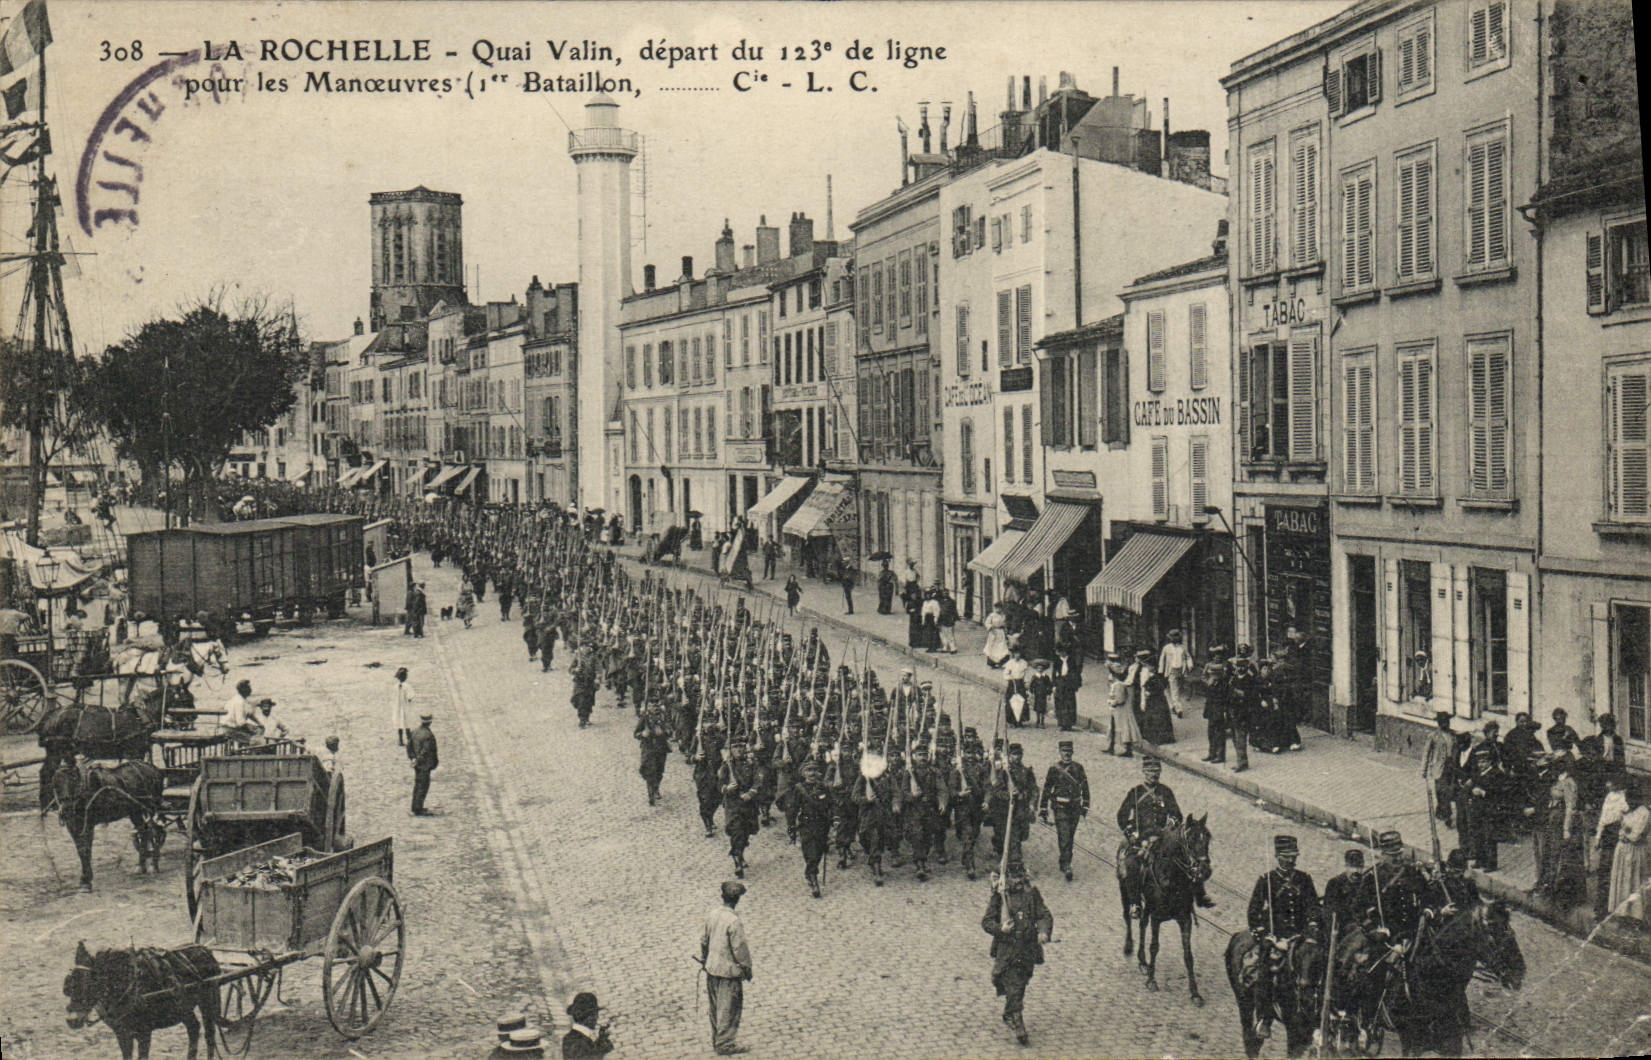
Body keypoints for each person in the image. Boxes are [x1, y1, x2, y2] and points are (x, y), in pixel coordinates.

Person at [1244, 834, 1321, 1042]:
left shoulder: (1304, 879)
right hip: (1276, 937)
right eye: (1287, 856)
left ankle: (1321, 1019)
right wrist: (1268, 938)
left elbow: (1313, 906)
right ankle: (1264, 1017)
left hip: (1301, 937)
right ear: (1278, 856)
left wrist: (1313, 926)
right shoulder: (1266, 881)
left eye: (1294, 856)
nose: (1291, 860)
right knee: (1266, 968)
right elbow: (1253, 912)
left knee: (1317, 967)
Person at [981, 858, 1053, 1047]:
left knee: (1022, 981)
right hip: (1008, 948)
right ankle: (1017, 1021)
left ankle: (1009, 1012)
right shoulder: (1000, 896)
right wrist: (1001, 929)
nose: (1017, 881)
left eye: (1019, 876)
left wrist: (1044, 931)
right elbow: (986, 922)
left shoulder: (1031, 893)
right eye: (1013, 877)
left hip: (1028, 947)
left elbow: (1044, 914)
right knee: (1014, 985)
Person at [699, 880, 753, 1056]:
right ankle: (726, 1044)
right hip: (728, 972)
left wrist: (705, 959)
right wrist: (746, 968)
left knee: (715, 1007)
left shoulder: (713, 914)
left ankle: (718, 1039)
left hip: (712, 968)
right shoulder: (734, 921)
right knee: (729, 1008)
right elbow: (740, 949)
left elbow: (704, 940)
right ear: (736, 900)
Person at [1533, 755, 1583, 906]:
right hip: (1553, 820)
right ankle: (1549, 888)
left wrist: (1566, 829)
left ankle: (1560, 893)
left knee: (1560, 856)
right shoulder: (1558, 780)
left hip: (1561, 821)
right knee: (1550, 854)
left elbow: (1570, 807)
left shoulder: (1569, 783)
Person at [1039, 740, 1090, 881]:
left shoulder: (1078, 768)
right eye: (1064, 751)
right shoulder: (1054, 769)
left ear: (1072, 752)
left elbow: (1085, 786)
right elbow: (1047, 788)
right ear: (1060, 752)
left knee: (1070, 836)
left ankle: (1064, 860)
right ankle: (1067, 865)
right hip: (1060, 807)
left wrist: (1085, 804)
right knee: (1064, 835)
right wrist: (1043, 808)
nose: (1066, 754)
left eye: (1069, 751)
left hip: (1074, 807)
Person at [1608, 782, 1649, 924]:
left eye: (1630, 799)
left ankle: (1634, 915)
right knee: (1622, 879)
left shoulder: (1644, 813)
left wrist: (1625, 833)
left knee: (1633, 880)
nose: (1627, 802)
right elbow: (1621, 830)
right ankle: (1621, 912)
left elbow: (1635, 836)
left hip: (1635, 851)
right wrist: (1624, 832)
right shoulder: (1627, 810)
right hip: (1623, 849)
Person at [1593, 775, 1631, 920]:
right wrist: (1598, 836)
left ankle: (1613, 908)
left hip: (1617, 834)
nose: (1608, 784)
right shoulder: (1609, 797)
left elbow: (1626, 818)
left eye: (1611, 782)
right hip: (1607, 835)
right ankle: (1601, 908)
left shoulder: (1624, 799)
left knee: (1615, 871)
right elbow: (1603, 818)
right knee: (1604, 870)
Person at [795, 758, 834, 898]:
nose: (811, 773)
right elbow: (792, 809)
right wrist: (792, 828)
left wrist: (833, 819)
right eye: (808, 770)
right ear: (803, 773)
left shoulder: (823, 787)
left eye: (814, 770)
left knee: (818, 851)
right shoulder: (799, 788)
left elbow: (830, 805)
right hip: (806, 824)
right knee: (810, 852)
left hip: (822, 825)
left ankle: (811, 872)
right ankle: (812, 877)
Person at [1133, 649, 1176, 745]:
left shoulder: (1150, 672)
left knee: (1158, 716)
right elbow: (1143, 686)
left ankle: (1161, 737)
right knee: (1154, 716)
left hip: (1156, 696)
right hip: (1153, 696)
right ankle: (1155, 737)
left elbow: (1152, 685)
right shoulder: (1144, 671)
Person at [1321, 848, 1367, 933]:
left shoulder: (1366, 883)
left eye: (1359, 867)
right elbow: (1330, 912)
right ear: (1346, 866)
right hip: (1342, 929)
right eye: (1352, 867)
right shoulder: (1335, 883)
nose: (1356, 871)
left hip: (1364, 926)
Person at [635, 702, 672, 806]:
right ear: (648, 707)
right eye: (652, 706)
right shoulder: (645, 718)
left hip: (661, 748)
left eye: (656, 705)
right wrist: (642, 734)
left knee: (659, 771)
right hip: (648, 748)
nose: (655, 708)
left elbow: (670, 731)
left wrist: (664, 732)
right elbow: (636, 733)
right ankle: (651, 794)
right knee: (649, 770)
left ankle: (656, 788)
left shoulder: (663, 717)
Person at [1105, 655, 1141, 757]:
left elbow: (1120, 699)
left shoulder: (1121, 684)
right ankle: (1111, 746)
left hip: (1122, 709)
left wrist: (1113, 702)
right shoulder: (1118, 683)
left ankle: (1127, 749)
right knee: (1114, 726)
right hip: (1117, 709)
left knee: (1124, 728)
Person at [1201, 645, 1231, 763]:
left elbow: (1228, 681)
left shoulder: (1226, 666)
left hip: (1221, 701)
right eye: (1215, 654)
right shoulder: (1208, 665)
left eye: (1219, 654)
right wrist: (1209, 682)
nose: (1217, 657)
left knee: (1219, 730)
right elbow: (1203, 677)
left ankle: (1220, 755)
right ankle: (1211, 753)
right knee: (1211, 730)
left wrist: (1220, 681)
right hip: (1211, 701)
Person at [560, 992, 613, 1058]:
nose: (597, 1018)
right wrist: (601, 1049)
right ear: (589, 1017)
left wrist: (601, 1039)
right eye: (595, 1014)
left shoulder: (570, 1038)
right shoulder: (576, 1041)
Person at [408, 713, 438, 816]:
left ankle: (415, 806)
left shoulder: (415, 732)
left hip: (417, 764)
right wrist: (418, 760)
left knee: (417, 785)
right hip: (424, 764)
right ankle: (418, 809)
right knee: (423, 786)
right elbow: (425, 751)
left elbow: (409, 746)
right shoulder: (428, 735)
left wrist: (413, 758)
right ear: (429, 722)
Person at [1158, 629, 1192, 719]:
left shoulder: (1183, 647)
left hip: (1181, 670)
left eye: (1176, 637)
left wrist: (1190, 665)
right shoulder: (1166, 648)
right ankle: (1178, 709)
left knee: (1176, 689)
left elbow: (1188, 657)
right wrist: (1161, 671)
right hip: (1171, 671)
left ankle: (1172, 705)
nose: (1174, 639)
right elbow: (1162, 659)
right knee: (1174, 690)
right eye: (1172, 638)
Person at [1052, 641, 1081, 731]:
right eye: (1060, 652)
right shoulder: (1057, 661)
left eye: (1063, 652)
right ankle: (1062, 723)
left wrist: (1076, 684)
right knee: (1061, 703)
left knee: (1070, 703)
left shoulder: (1071, 660)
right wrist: (1054, 685)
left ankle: (1069, 724)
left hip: (1069, 684)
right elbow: (1054, 673)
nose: (1062, 654)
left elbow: (1076, 673)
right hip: (1060, 683)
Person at [1002, 648, 1029, 727]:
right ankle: (1012, 720)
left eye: (1019, 653)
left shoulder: (1023, 663)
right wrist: (1010, 678)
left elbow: (1025, 674)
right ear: (1013, 654)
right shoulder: (1010, 663)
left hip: (1020, 684)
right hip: (1012, 684)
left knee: (1021, 701)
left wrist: (1026, 683)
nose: (1017, 655)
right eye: (1016, 653)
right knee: (1012, 701)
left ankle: (1020, 720)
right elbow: (1005, 674)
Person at [982, 603, 1011, 668]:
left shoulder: (1003, 615)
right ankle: (992, 663)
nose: (998, 609)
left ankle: (1002, 662)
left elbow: (1005, 624)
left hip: (1001, 633)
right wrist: (990, 627)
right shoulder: (992, 615)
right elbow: (987, 623)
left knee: (1002, 647)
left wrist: (1006, 630)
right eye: (997, 608)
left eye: (1000, 608)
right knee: (993, 647)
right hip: (993, 632)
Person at [391, 666, 414, 746]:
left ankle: (400, 740)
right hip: (405, 707)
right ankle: (409, 740)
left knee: (399, 723)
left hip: (398, 707)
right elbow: (410, 696)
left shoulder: (395, 686)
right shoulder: (407, 686)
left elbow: (393, 697)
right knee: (407, 723)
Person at [938, 587, 959, 654]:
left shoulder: (952, 601)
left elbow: (954, 611)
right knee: (943, 634)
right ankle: (945, 647)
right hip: (941, 619)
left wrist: (955, 618)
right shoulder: (940, 601)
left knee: (950, 634)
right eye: (944, 593)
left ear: (948, 593)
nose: (945, 594)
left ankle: (953, 648)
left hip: (949, 619)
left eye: (946, 593)